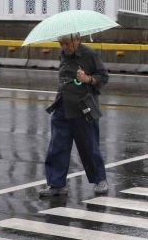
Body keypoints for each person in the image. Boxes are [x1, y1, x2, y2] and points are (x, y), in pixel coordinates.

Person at [39, 33, 109, 197]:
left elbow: (104, 76)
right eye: (61, 43)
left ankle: (100, 180)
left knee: (89, 146)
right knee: (57, 147)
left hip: (83, 107)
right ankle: (57, 185)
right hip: (62, 106)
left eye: (67, 43)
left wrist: (88, 79)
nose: (64, 47)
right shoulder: (63, 54)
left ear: (78, 39)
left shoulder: (89, 54)